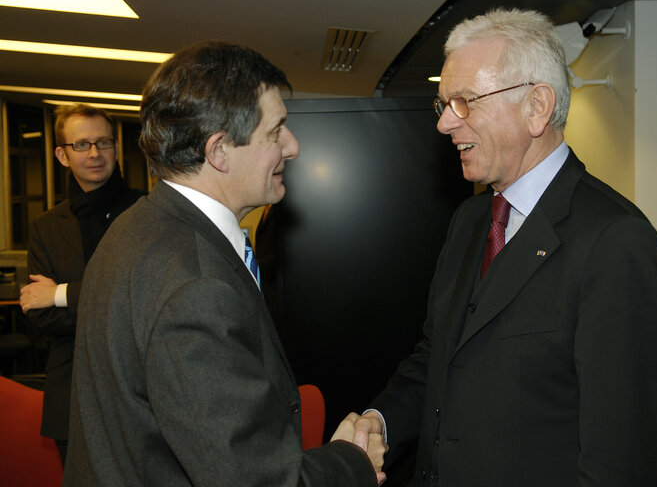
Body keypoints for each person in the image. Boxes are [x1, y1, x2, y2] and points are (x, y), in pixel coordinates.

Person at [350, 8, 657, 486]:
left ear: (537, 107)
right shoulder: (469, 220)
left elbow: (622, 463)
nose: (445, 124)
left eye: (465, 102)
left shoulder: (614, 241)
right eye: (443, 104)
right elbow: (436, 358)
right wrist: (378, 422)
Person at [63, 41, 385, 486]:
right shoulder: (194, 286)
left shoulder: (135, 228)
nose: (292, 147)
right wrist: (352, 462)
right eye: (275, 132)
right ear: (219, 152)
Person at [19, 104, 143, 465]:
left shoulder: (147, 212)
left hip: (141, 387)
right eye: (81, 145)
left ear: (116, 148)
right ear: (62, 155)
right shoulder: (46, 226)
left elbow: (144, 298)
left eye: (103, 143)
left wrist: (62, 295)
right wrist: (116, 307)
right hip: (71, 392)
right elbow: (40, 318)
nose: (94, 153)